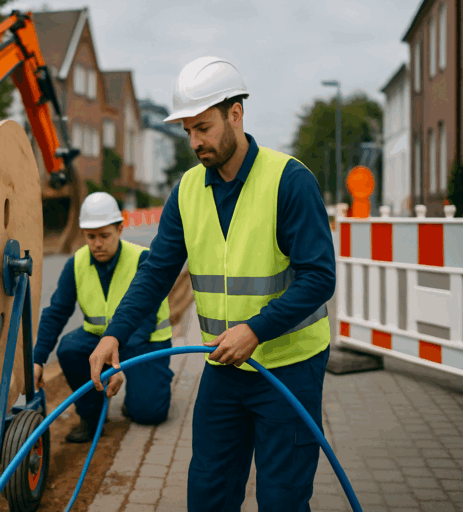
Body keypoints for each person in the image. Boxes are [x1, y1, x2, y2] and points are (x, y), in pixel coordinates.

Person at [88, 56, 336, 511]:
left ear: (235, 114)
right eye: (187, 132)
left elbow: (320, 278)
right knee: (208, 491)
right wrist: (114, 333)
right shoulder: (187, 190)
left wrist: (256, 330)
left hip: (289, 367)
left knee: (282, 497)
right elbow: (157, 272)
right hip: (224, 366)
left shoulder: (289, 181)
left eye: (203, 127)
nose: (195, 141)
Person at [33, 192, 174, 443]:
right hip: (99, 340)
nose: (97, 244)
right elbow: (56, 312)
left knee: (149, 414)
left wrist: (116, 363)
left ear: (120, 228)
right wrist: (37, 360)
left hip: (145, 342)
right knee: (69, 348)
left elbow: (144, 321)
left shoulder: (142, 260)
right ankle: (92, 414)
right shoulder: (76, 264)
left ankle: (136, 398)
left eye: (104, 236)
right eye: (91, 237)